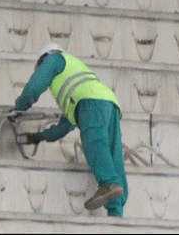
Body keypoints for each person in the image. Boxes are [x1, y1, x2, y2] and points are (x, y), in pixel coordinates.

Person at [13, 44, 127, 216]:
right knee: (112, 154)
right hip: (109, 103)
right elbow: (63, 127)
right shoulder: (73, 80)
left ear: (42, 60)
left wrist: (18, 109)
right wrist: (38, 137)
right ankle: (116, 212)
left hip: (91, 103)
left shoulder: (54, 59)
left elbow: (33, 88)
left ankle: (109, 184)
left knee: (94, 143)